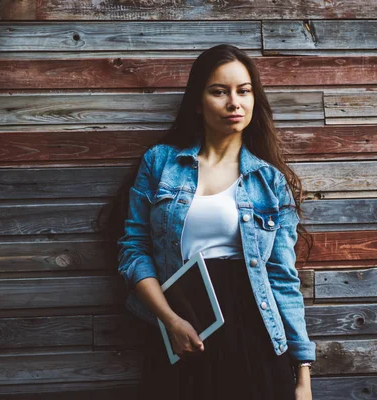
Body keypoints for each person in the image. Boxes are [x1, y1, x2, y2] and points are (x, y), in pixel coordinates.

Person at [116, 44, 316, 400]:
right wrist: (170, 319)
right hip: (186, 328)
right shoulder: (160, 163)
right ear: (198, 102)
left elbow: (282, 278)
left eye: (244, 91)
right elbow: (134, 251)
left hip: (256, 329)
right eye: (219, 91)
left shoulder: (269, 182)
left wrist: (303, 374)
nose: (234, 102)